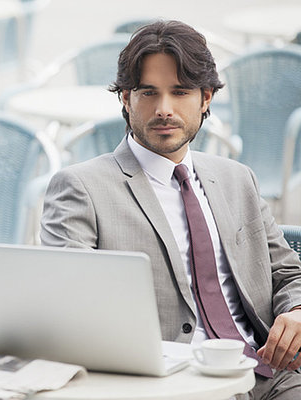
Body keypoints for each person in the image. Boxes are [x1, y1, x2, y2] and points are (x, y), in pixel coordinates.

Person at [40, 20, 301, 399]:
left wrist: (296, 311)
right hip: (173, 382)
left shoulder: (237, 178)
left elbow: (287, 272)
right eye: (149, 93)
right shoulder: (81, 187)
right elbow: (70, 307)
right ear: (126, 100)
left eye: (180, 92)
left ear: (206, 98)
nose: (164, 109)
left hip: (270, 373)